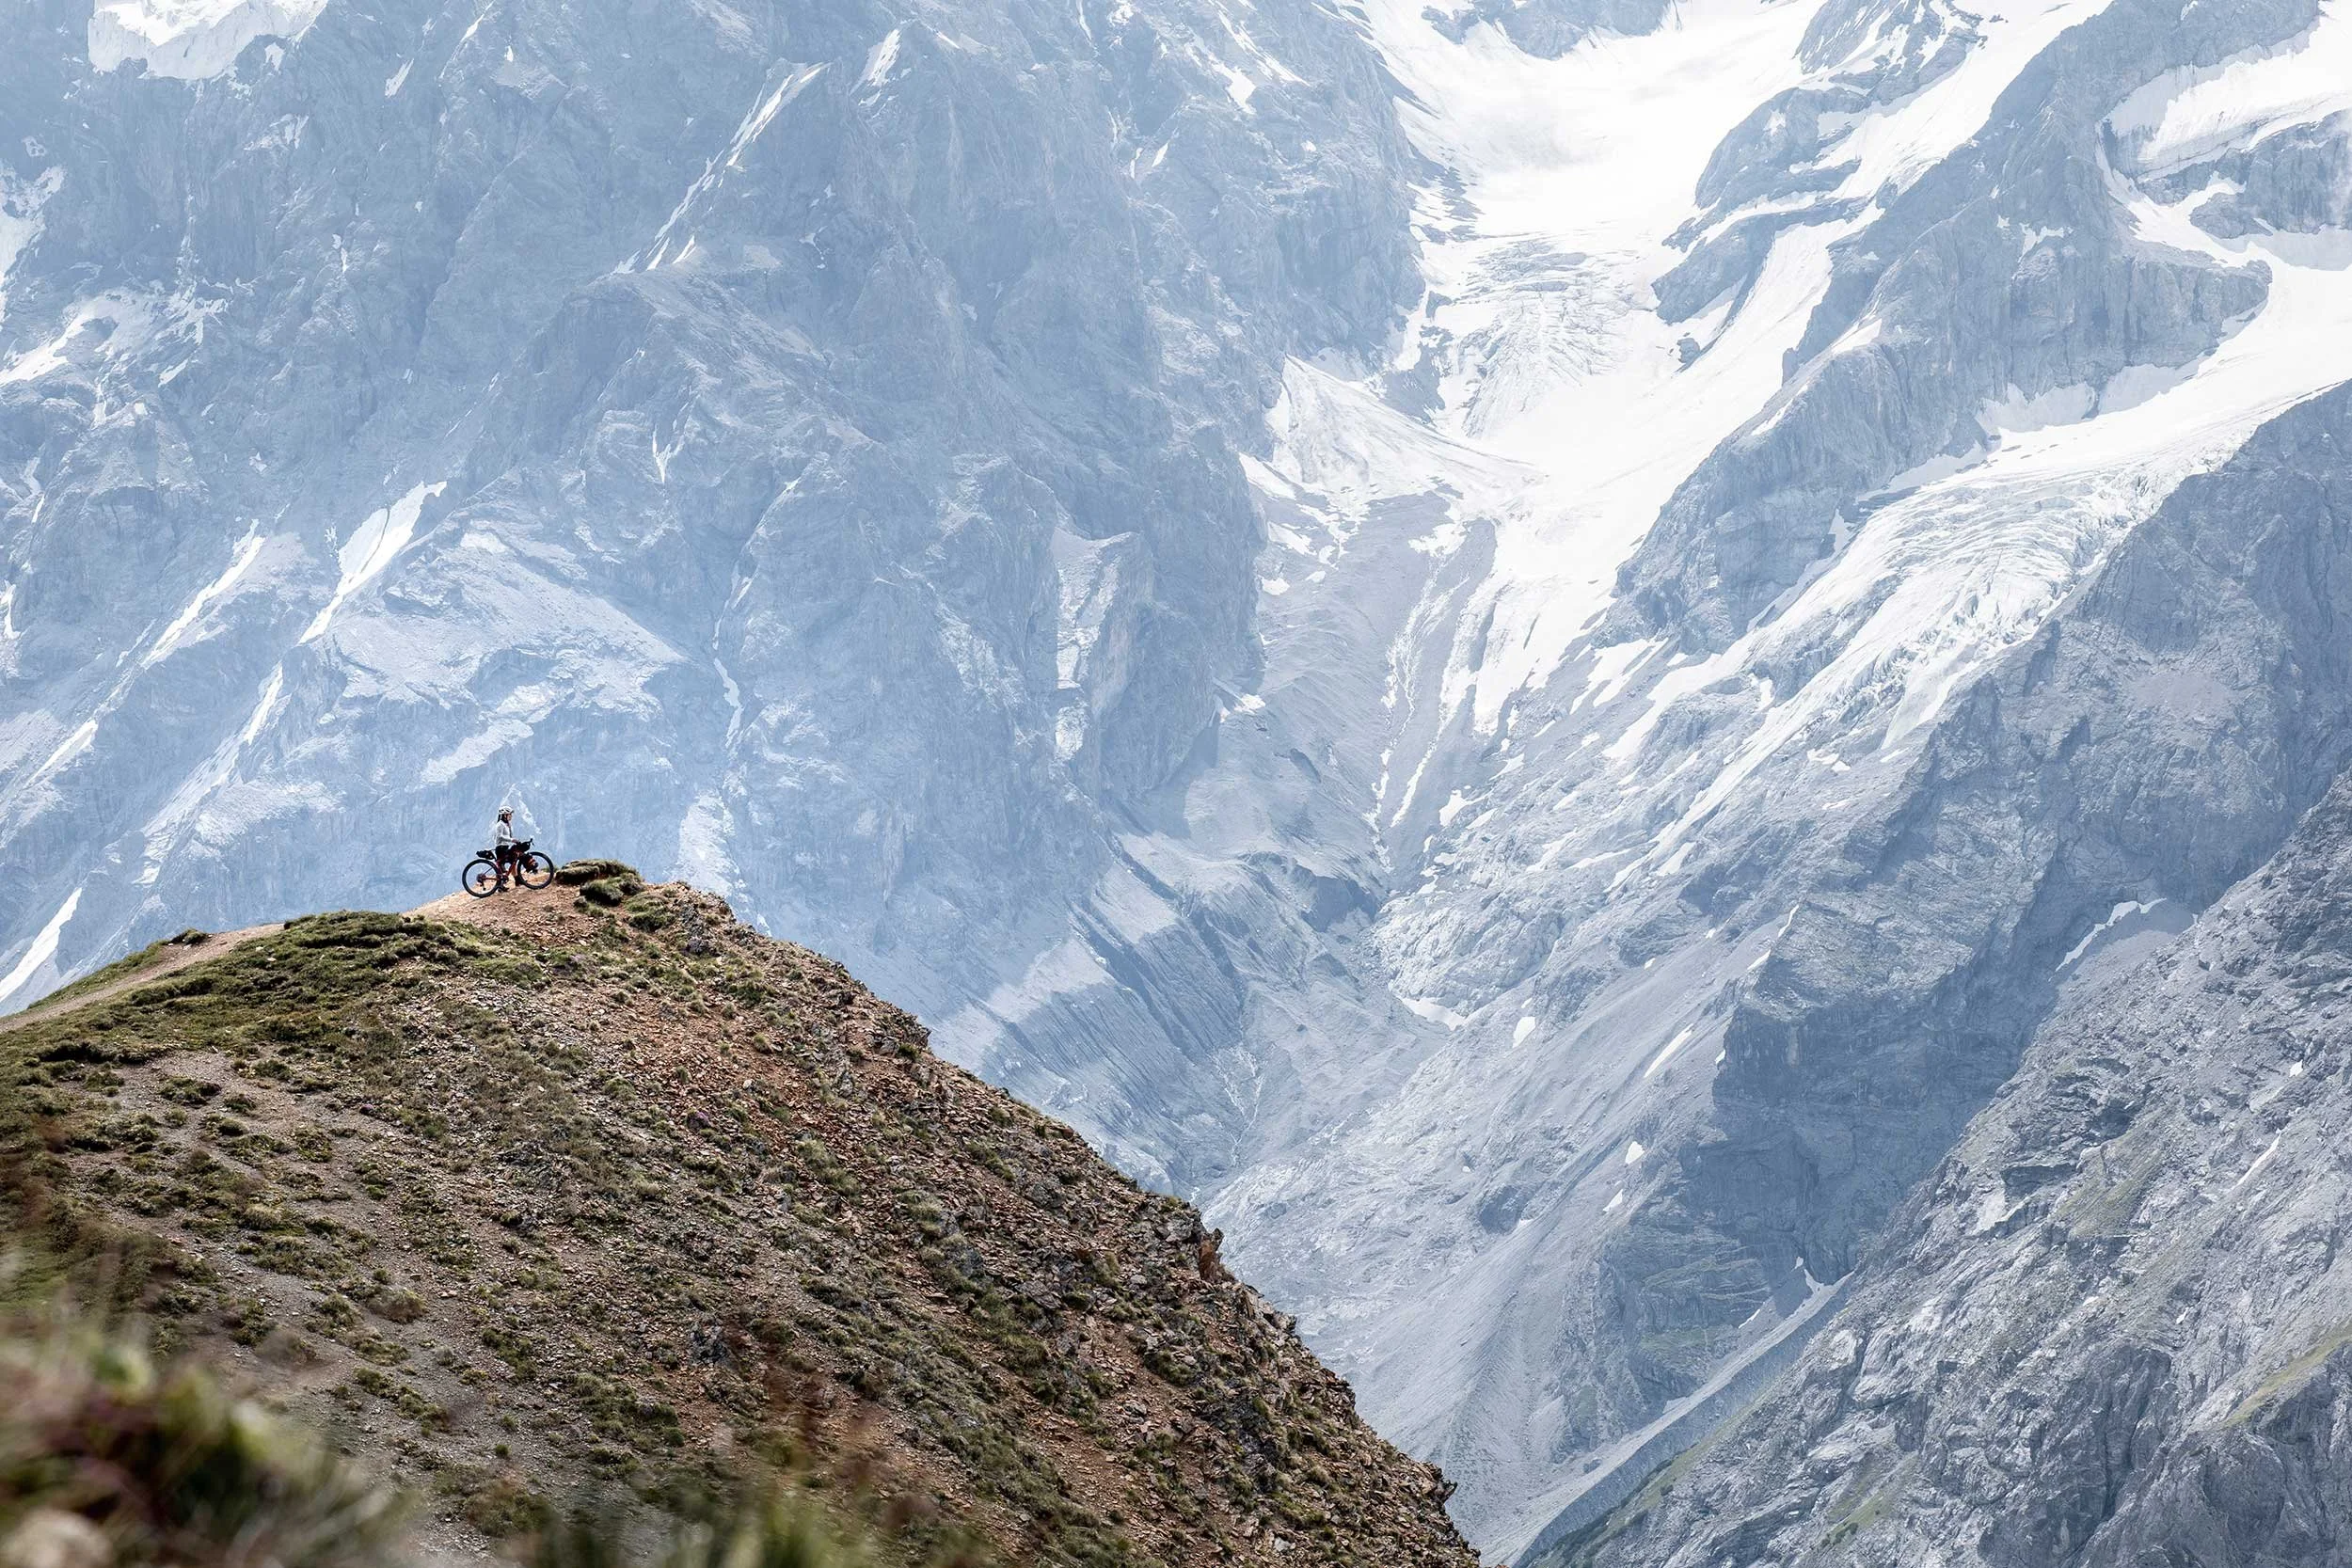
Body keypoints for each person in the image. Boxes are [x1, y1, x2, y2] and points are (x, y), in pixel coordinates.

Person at [493, 807, 521, 890]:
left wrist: (509, 827)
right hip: (500, 848)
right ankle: (500, 885)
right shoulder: (499, 825)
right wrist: (512, 840)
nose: (511, 816)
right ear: (505, 815)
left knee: (513, 861)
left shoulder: (506, 824)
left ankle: (517, 881)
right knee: (501, 867)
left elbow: (510, 836)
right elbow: (500, 836)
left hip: (505, 847)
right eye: (510, 814)